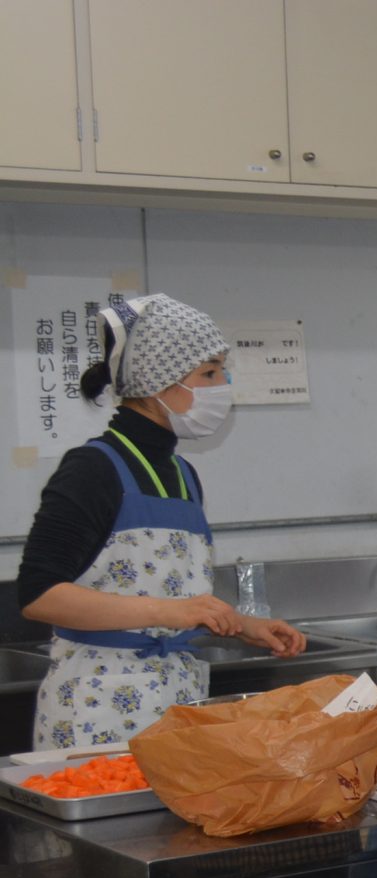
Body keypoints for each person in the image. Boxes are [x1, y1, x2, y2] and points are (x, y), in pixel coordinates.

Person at [19, 294, 305, 749]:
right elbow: (39, 594)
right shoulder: (92, 470)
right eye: (208, 373)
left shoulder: (183, 476)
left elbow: (174, 594)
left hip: (177, 703)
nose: (222, 384)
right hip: (98, 710)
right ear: (158, 382)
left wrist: (243, 625)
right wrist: (168, 613)